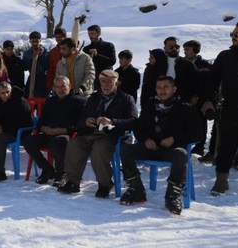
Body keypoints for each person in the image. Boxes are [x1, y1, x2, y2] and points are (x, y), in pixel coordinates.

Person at [118, 76, 203, 214]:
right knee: (125, 149)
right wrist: (145, 139)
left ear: (174, 89)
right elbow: (138, 128)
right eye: (159, 87)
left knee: (181, 154)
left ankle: (173, 196)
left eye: (166, 87)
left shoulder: (186, 108)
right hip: (151, 148)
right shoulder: (149, 106)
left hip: (173, 150)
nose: (162, 90)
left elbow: (197, 134)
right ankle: (136, 189)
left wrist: (174, 139)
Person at [58, 70, 138, 198]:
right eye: (103, 81)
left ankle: (104, 184)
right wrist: (86, 121)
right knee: (74, 144)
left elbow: (133, 120)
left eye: (110, 81)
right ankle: (73, 181)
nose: (106, 84)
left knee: (99, 149)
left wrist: (113, 121)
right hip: (92, 133)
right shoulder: (94, 98)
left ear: (116, 83)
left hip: (113, 135)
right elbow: (81, 117)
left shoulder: (126, 99)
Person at [21, 76, 85, 185]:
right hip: (48, 133)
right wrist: (43, 128)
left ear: (69, 86)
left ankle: (62, 174)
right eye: (57, 87)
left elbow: (81, 124)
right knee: (27, 141)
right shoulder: (50, 101)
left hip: (67, 134)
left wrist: (64, 130)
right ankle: (47, 169)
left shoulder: (78, 101)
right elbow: (41, 121)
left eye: (63, 86)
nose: (60, 89)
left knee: (57, 143)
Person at [202, 24, 238, 194]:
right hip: (230, 108)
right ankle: (221, 180)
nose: (233, 36)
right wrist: (209, 101)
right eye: (233, 33)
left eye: (237, 34)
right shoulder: (225, 56)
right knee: (226, 145)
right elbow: (212, 81)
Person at [0, 82, 33, 183]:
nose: (6, 95)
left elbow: (26, 122)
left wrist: (5, 128)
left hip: (17, 133)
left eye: (7, 92)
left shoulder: (20, 101)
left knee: (0, 139)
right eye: (2, 93)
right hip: (3, 131)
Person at [182, 39, 212, 155]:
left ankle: (200, 146)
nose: (185, 52)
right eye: (184, 50)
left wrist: (200, 97)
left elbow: (209, 83)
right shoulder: (182, 64)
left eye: (187, 50)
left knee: (201, 122)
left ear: (195, 50)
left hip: (202, 100)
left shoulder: (206, 65)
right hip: (186, 99)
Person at [82, 25, 116, 91]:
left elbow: (112, 61)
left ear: (99, 33)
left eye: (92, 33)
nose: (90, 36)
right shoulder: (86, 49)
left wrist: (97, 55)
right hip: (91, 80)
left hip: (106, 80)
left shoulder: (108, 46)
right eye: (89, 34)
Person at [22, 31, 49, 98]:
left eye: (37, 41)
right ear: (30, 41)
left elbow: (47, 66)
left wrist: (42, 56)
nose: (35, 43)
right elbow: (24, 67)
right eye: (33, 41)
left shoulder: (46, 52)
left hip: (43, 79)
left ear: (40, 41)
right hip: (31, 79)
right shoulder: (27, 53)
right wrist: (32, 58)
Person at [46, 27, 67, 92]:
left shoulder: (71, 50)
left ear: (65, 37)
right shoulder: (53, 52)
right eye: (56, 37)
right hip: (57, 83)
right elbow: (51, 69)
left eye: (60, 37)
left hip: (69, 82)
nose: (58, 39)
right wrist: (50, 85)